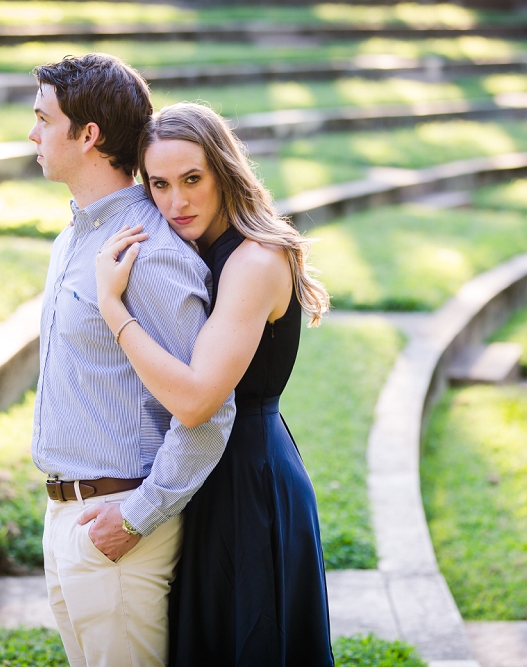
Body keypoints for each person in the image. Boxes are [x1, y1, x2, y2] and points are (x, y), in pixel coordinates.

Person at [94, 101, 334, 666]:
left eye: (192, 180)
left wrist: (112, 307)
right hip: (208, 473)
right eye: (159, 184)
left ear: (224, 172)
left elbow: (199, 398)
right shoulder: (198, 252)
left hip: (248, 480)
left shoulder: (255, 260)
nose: (176, 202)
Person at [27, 56, 235, 667]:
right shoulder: (76, 236)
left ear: (87, 135)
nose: (32, 135)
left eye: (43, 120)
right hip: (68, 516)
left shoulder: (149, 251)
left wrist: (136, 519)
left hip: (119, 526)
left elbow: (206, 408)